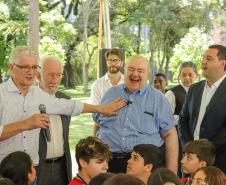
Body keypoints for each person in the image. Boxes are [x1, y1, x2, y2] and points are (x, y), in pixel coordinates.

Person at [0, 46, 127, 166]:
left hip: (30, 169)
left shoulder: (36, 94)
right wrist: (26, 124)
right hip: (4, 169)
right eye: (25, 67)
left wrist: (101, 109)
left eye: (34, 67)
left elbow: (68, 106)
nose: (31, 72)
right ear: (11, 68)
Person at [93, 55, 178, 173]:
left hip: (143, 166)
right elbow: (98, 124)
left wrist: (171, 174)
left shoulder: (158, 99)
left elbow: (170, 134)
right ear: (124, 70)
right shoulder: (110, 94)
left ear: (148, 74)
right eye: (131, 69)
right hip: (108, 163)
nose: (135, 74)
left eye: (140, 71)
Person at [178, 44, 226, 174]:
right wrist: (189, 147)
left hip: (219, 161)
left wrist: (206, 150)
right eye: (203, 58)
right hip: (190, 161)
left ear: (222, 63)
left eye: (209, 59)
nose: (203, 62)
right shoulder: (194, 89)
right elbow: (182, 120)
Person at [36, 56, 72, 185]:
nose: (55, 80)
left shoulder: (65, 100)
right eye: (50, 75)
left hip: (61, 167)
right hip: (37, 168)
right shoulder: (28, 99)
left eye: (58, 75)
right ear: (38, 75)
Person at [91, 49, 124, 135]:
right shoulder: (97, 85)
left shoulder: (128, 83)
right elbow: (95, 112)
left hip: (125, 131)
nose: (113, 63)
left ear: (122, 63)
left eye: (116, 60)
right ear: (106, 62)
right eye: (110, 60)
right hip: (104, 130)